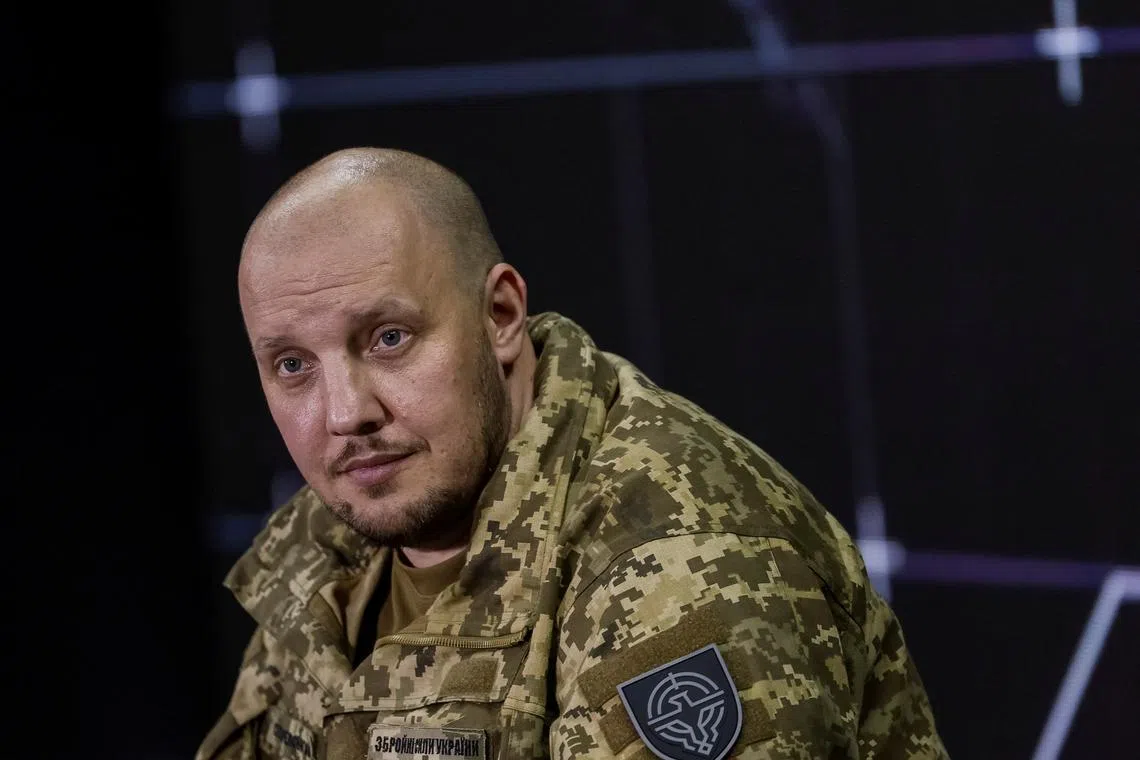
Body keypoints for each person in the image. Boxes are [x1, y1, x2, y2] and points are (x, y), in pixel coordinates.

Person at [198, 147, 949, 760]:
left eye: (389, 339)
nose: (345, 413)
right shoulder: (333, 541)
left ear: (500, 316)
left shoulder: (676, 564)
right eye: (293, 365)